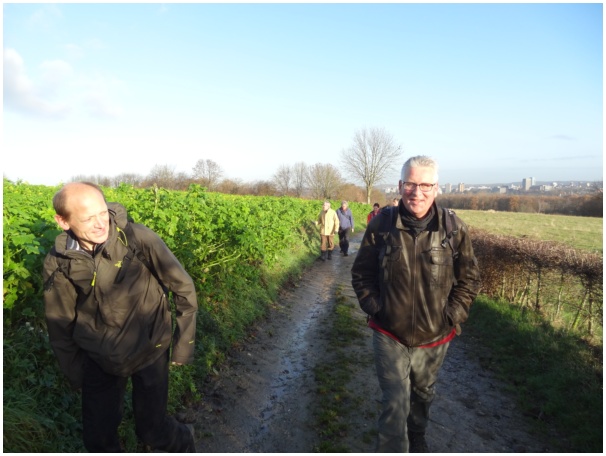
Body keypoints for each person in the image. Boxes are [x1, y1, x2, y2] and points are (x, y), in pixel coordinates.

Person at [43, 182, 198, 452]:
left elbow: (182, 286)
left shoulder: (137, 238)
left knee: (152, 431)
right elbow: (60, 322)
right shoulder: (59, 262)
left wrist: (183, 344)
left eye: (103, 213)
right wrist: (76, 373)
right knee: (98, 441)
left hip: (150, 346)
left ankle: (185, 442)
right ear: (63, 221)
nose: (100, 224)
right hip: (99, 356)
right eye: (88, 218)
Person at [351, 156, 481, 453]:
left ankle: (417, 433)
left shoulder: (454, 228)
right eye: (410, 184)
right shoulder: (382, 224)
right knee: (395, 400)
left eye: (425, 185)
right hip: (389, 333)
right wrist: (375, 307)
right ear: (400, 186)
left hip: (435, 335)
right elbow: (362, 273)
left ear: (436, 188)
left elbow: (469, 279)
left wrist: (451, 315)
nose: (417, 192)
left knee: (422, 393)